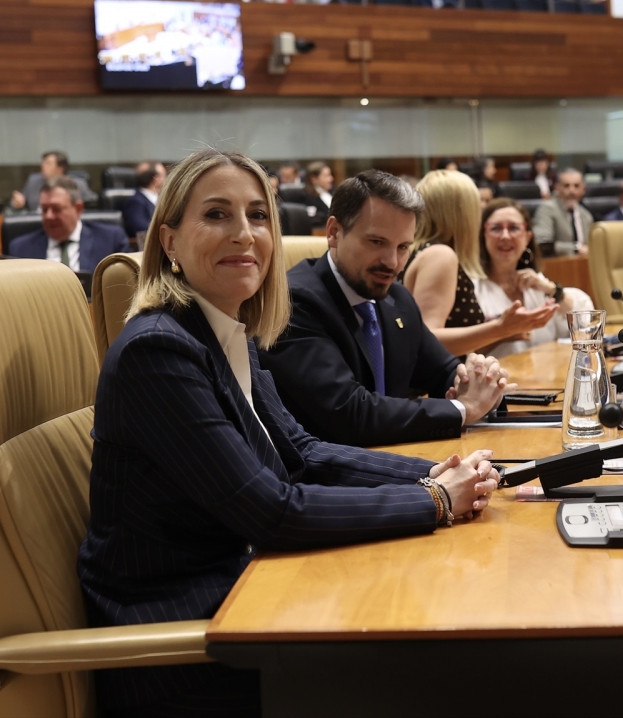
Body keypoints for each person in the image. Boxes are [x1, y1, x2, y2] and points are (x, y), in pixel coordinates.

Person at [77, 151, 500, 714]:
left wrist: (435, 473)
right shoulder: (158, 350)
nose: (244, 235)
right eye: (217, 215)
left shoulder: (225, 331)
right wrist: (433, 502)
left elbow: (302, 452)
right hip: (189, 643)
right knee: (443, 658)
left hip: (250, 590)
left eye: (257, 216)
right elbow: (269, 510)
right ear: (170, 241)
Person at [261, 169, 508, 446]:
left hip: (400, 461)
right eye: (377, 242)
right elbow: (351, 414)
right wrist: (463, 409)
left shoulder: (397, 298)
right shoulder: (295, 303)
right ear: (333, 232)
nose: (392, 262)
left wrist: (476, 380)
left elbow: (442, 371)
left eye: (403, 247)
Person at [403, 170, 555, 356]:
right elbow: (427, 341)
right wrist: (500, 329)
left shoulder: (421, 250)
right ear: (460, 212)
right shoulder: (440, 255)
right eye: (475, 207)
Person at [476, 198, 594, 357]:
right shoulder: (473, 287)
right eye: (496, 228)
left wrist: (551, 289)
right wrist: (501, 333)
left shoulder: (537, 283)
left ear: (528, 237)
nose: (505, 236)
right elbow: (456, 352)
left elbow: (585, 323)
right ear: (484, 236)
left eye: (514, 228)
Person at [9, 177, 128, 273]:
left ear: (78, 209)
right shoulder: (20, 249)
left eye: (57, 209)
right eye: (44, 210)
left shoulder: (110, 240)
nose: (49, 216)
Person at [532, 168, 592, 256]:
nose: (572, 191)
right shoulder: (547, 209)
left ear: (583, 190)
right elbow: (542, 244)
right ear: (557, 188)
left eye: (576, 186)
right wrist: (575, 248)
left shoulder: (586, 216)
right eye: (566, 186)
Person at [10, 150, 95, 211]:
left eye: (48, 163)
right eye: (43, 162)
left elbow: (94, 204)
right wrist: (16, 204)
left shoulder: (78, 185)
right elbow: (16, 204)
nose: (43, 166)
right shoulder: (33, 181)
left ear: (60, 169)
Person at [121, 160, 165, 239]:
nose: (165, 179)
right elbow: (139, 229)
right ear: (156, 179)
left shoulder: (163, 199)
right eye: (163, 175)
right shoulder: (135, 202)